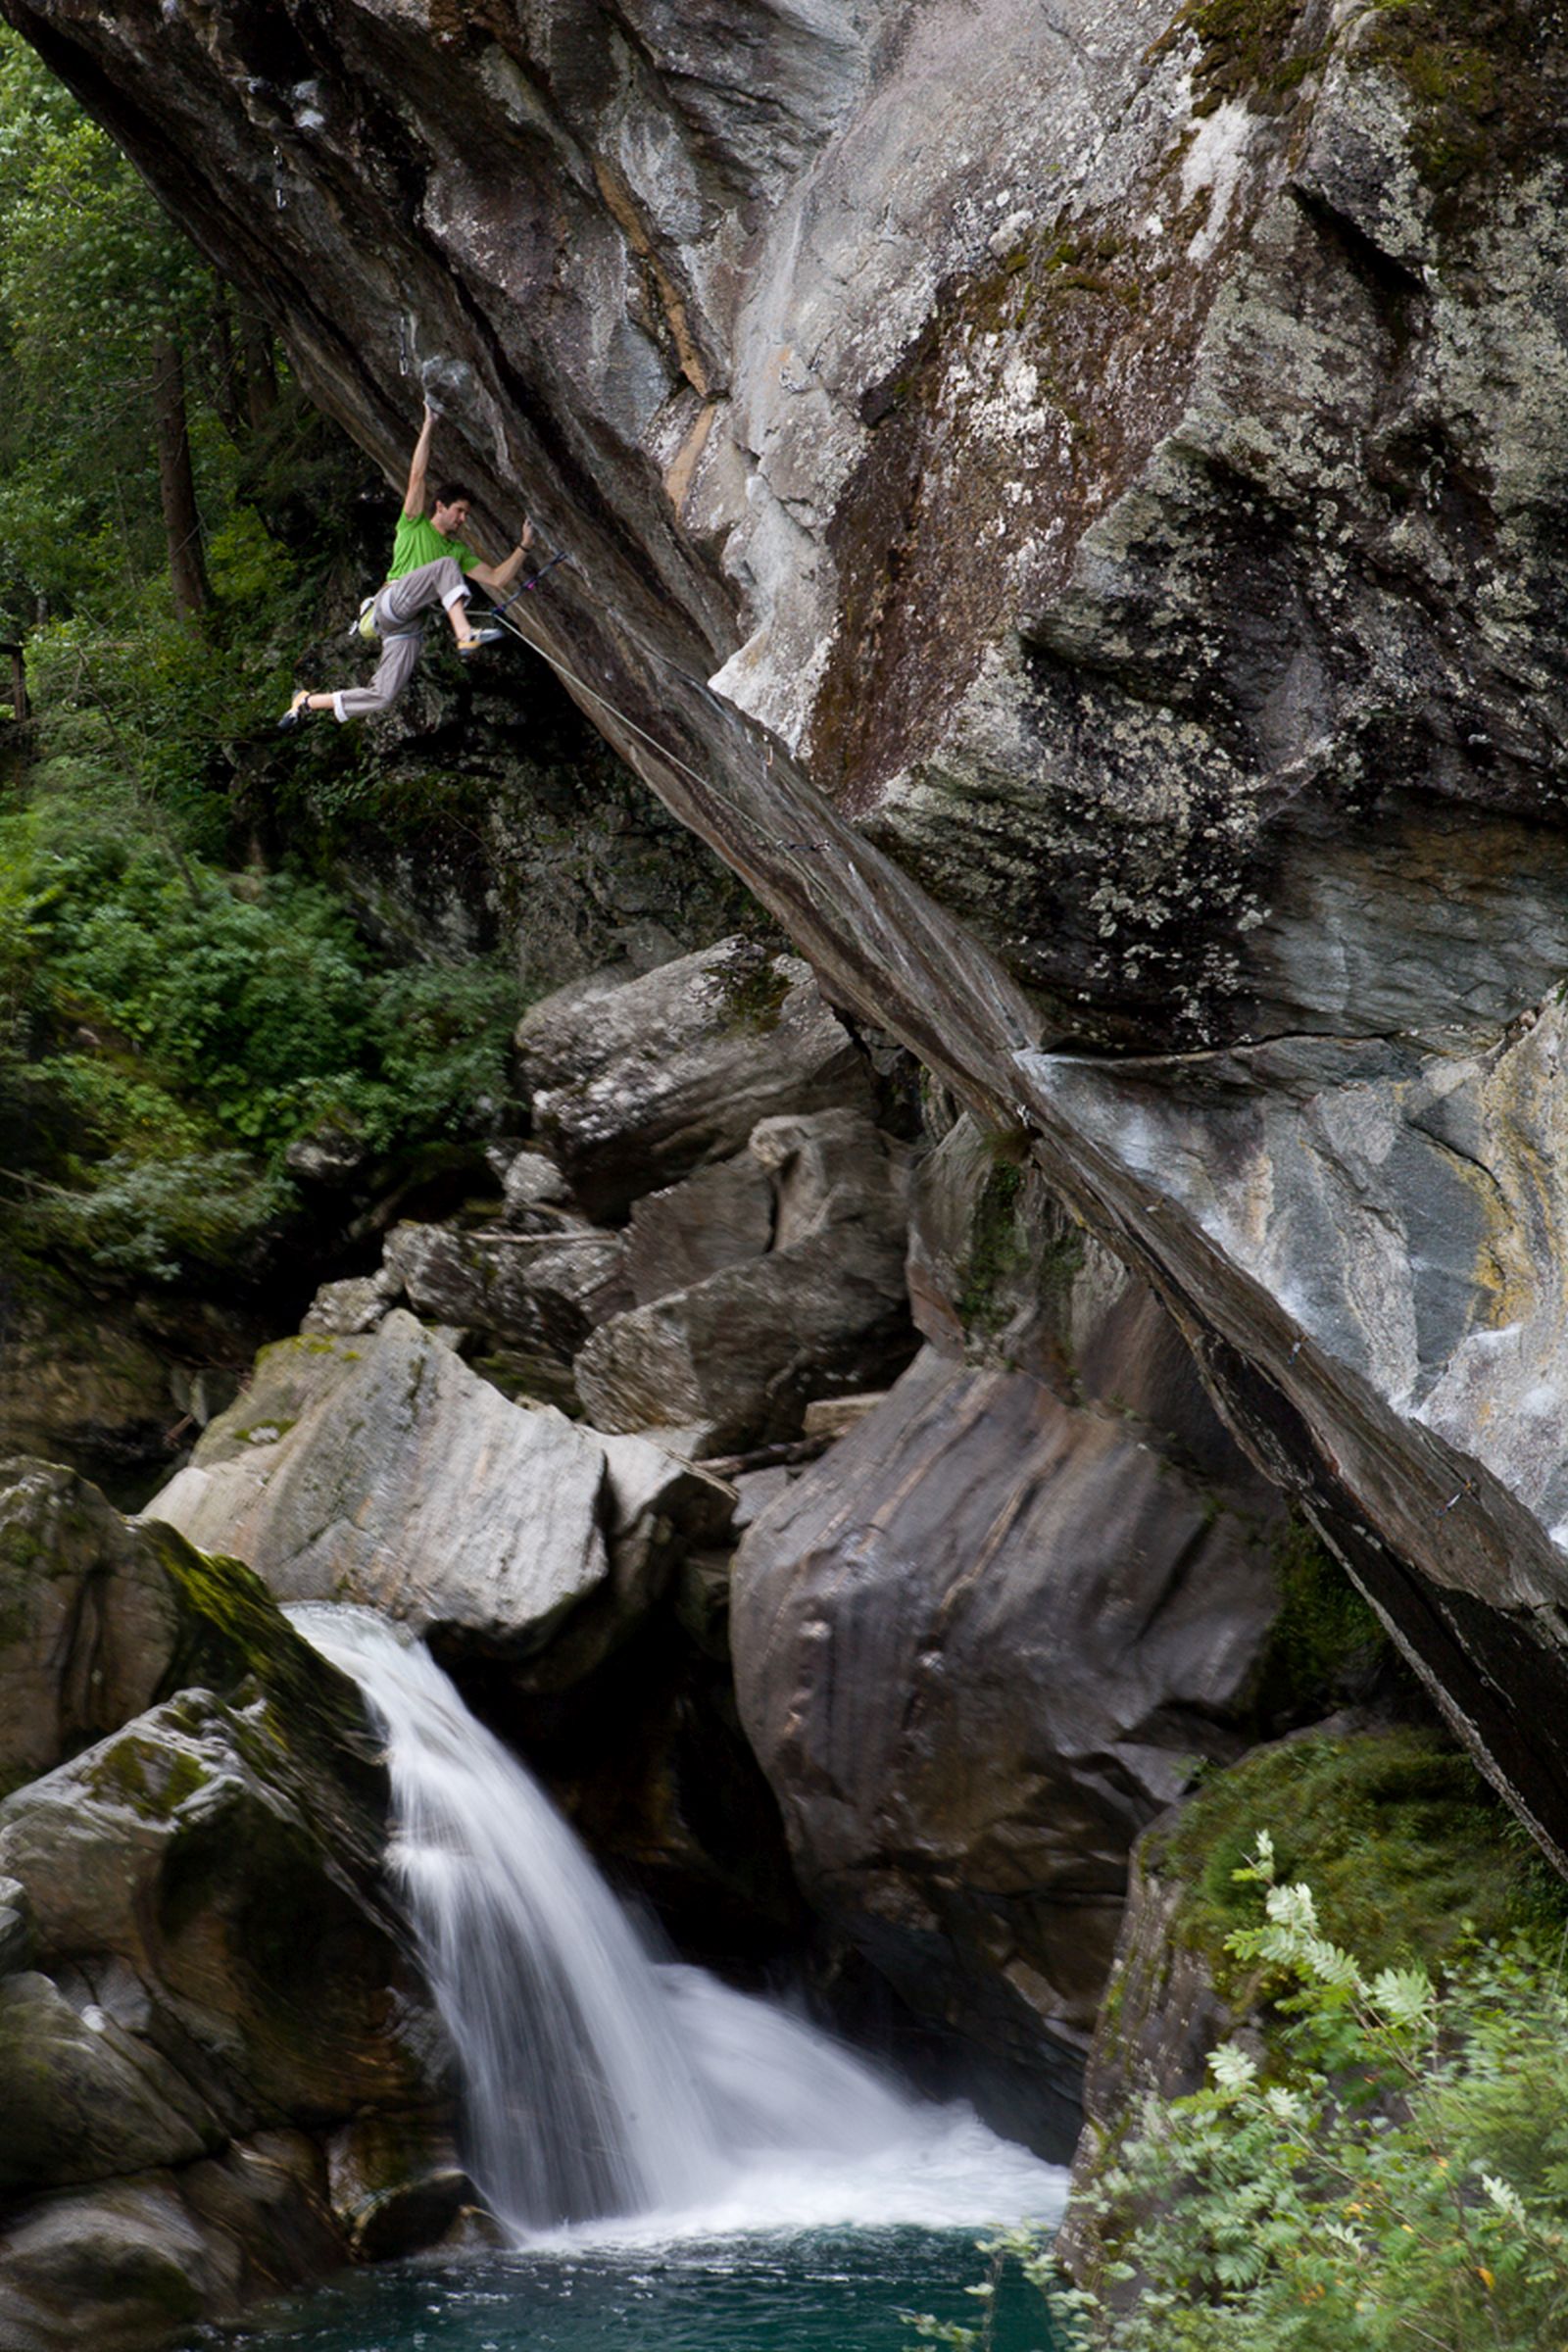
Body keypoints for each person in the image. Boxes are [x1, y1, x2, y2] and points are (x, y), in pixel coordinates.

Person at [279, 402, 534, 728]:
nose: (462, 519)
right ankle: (464, 633)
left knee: (384, 695)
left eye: (466, 514)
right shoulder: (413, 524)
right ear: (440, 506)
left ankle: (307, 702)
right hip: (391, 602)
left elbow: (498, 579)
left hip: (407, 626)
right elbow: (416, 476)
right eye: (458, 511)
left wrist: (524, 545)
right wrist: (429, 423)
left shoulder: (456, 552)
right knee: (444, 566)